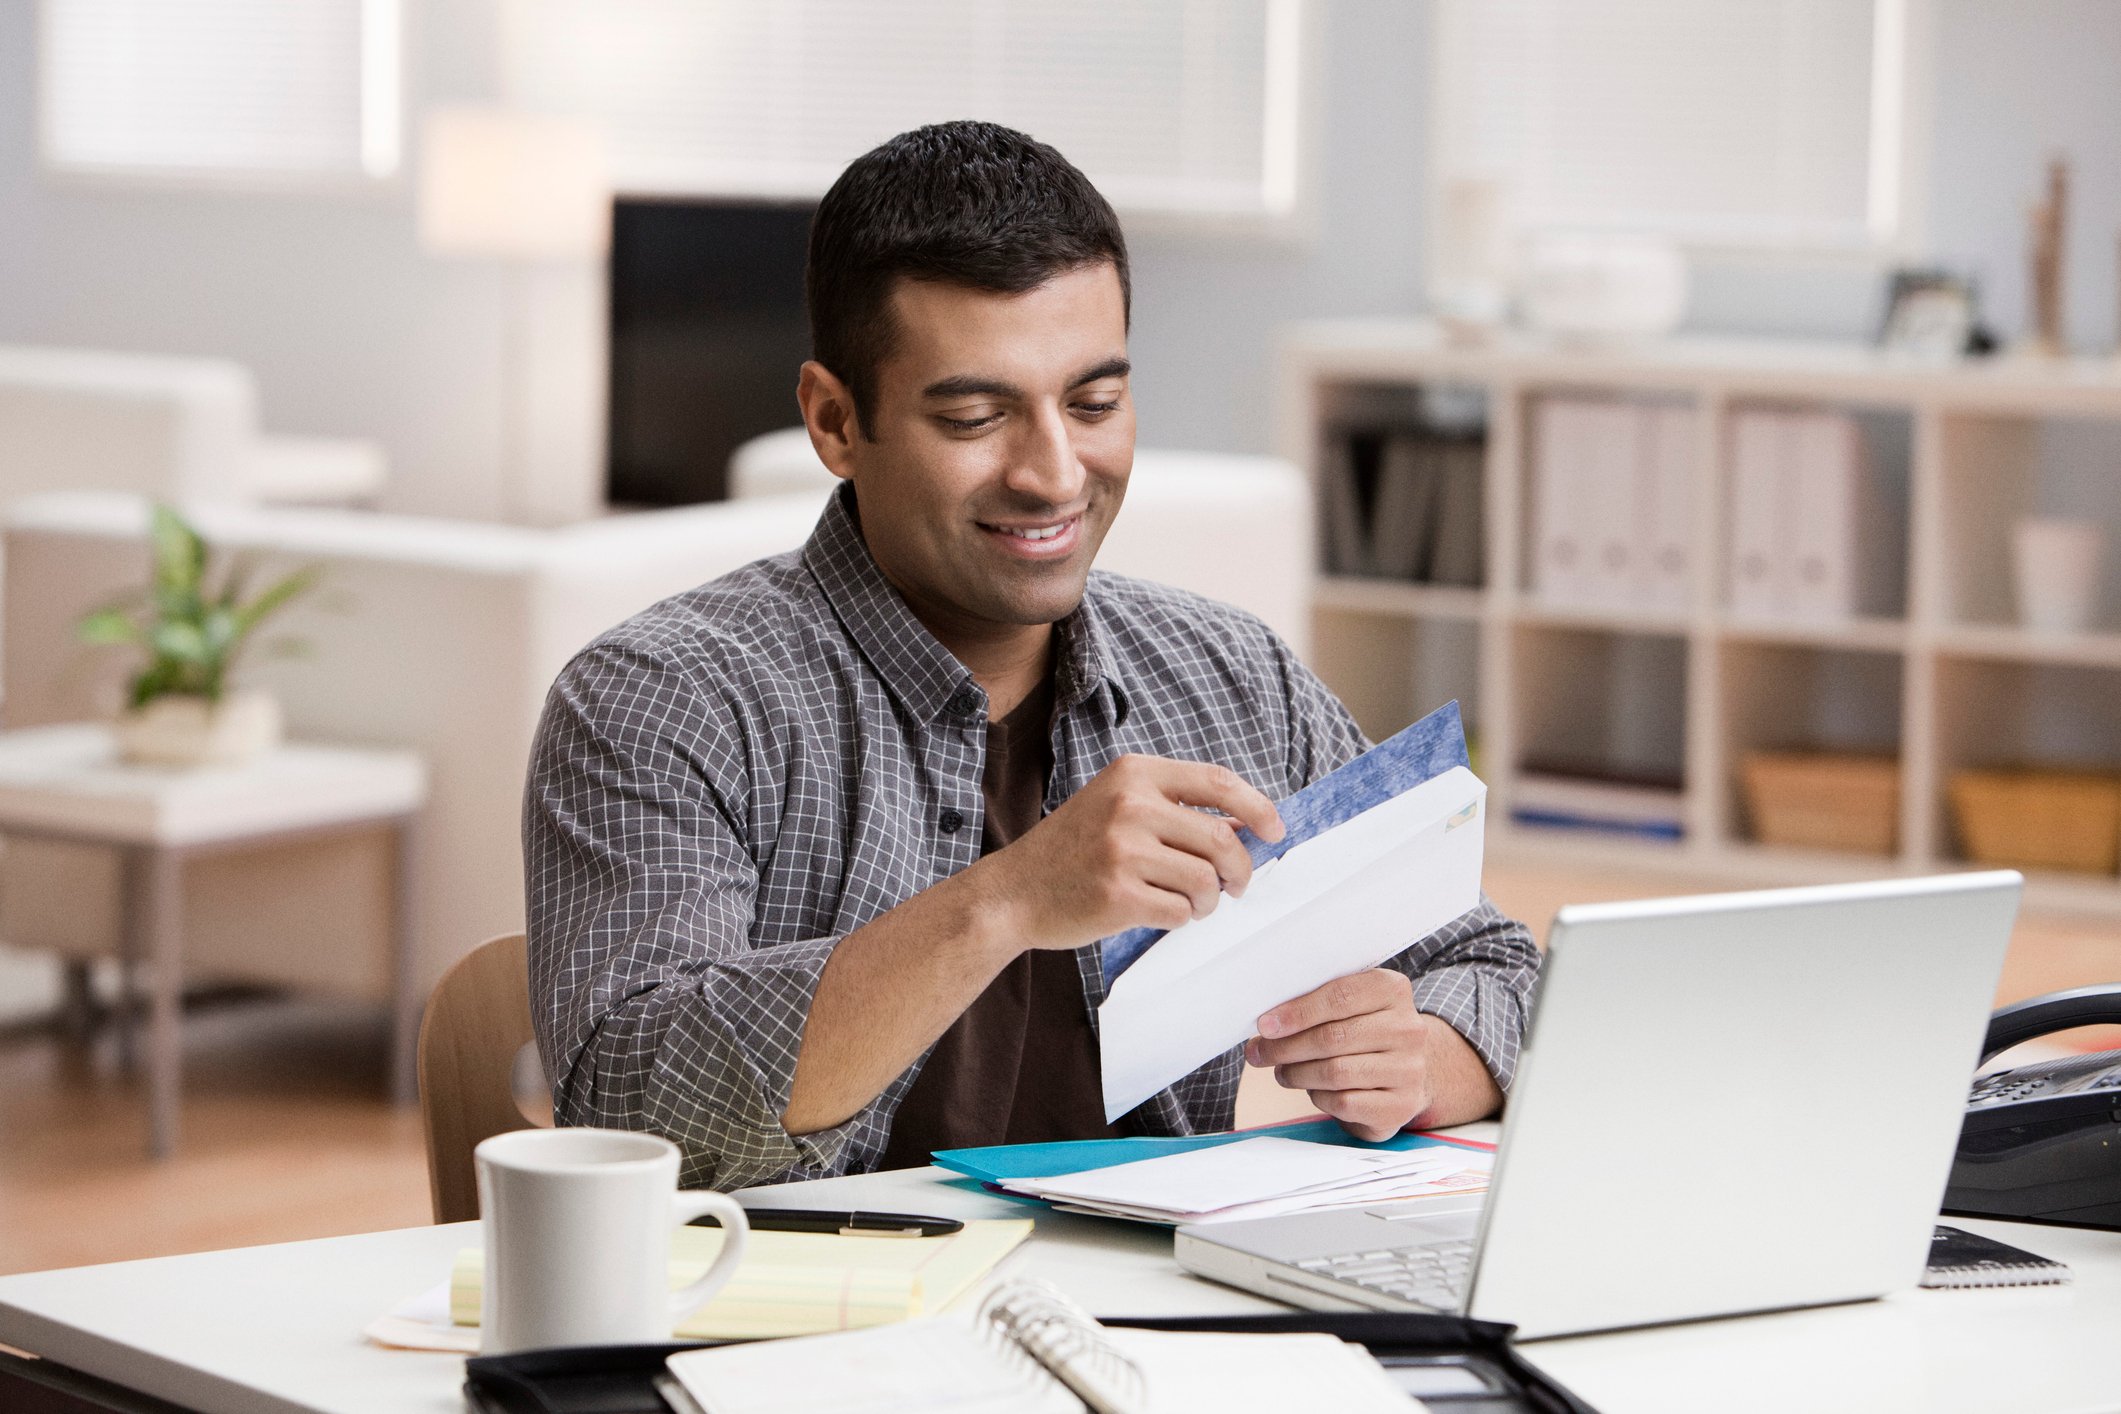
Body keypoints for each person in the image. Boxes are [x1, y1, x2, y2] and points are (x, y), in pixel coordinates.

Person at [525, 120, 1539, 1190]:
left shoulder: (1233, 677)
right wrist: (1006, 902)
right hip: (796, 1290)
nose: (1054, 474)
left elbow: (1496, 966)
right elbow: (630, 1113)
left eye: (1094, 403)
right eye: (975, 417)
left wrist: (1425, 1055)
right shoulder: (660, 698)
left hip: (1154, 1289)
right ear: (834, 422)